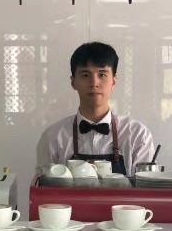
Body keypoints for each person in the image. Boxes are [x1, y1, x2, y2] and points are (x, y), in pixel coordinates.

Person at [36, 42, 155, 176]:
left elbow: (144, 187)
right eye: (85, 75)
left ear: (113, 81)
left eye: (102, 74)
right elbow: (42, 187)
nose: (94, 83)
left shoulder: (137, 135)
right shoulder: (53, 137)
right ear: (73, 82)